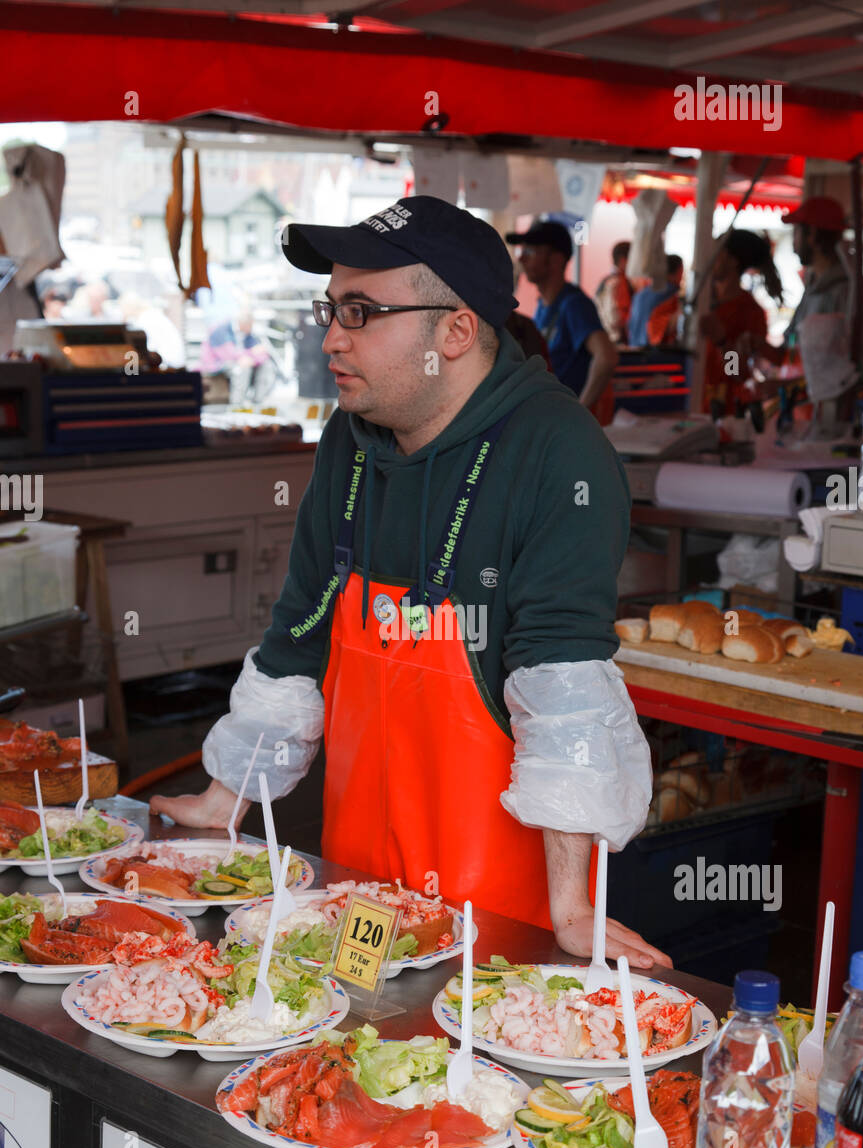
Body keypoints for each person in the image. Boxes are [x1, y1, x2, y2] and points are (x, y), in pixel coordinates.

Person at [152, 195, 667, 968]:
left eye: (360, 312)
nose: (330, 337)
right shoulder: (347, 442)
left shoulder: (560, 453)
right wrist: (227, 796)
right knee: (358, 1049)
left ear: (454, 331)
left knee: (465, 1079)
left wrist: (569, 908)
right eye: (330, 308)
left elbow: (561, 675)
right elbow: (302, 624)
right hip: (358, 882)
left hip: (500, 909)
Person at [747, 196, 859, 406]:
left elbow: (846, 371)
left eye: (796, 232)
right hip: (799, 413)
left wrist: (785, 386)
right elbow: (790, 352)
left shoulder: (845, 292)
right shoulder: (814, 288)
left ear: (813, 236)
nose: (792, 242)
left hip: (825, 416)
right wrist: (754, 346)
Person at [505, 218, 618, 419]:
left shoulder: (573, 304)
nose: (522, 259)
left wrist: (580, 412)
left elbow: (606, 357)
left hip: (566, 423)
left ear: (556, 260)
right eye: (521, 252)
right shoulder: (543, 306)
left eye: (530, 252)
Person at [698, 229, 783, 414]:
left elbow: (737, 373)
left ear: (733, 260)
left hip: (723, 412)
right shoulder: (703, 301)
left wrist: (722, 342)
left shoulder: (749, 311)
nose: (710, 258)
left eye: (717, 253)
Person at [199, 309, 274, 405]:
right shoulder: (221, 329)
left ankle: (257, 402)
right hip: (216, 364)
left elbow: (261, 352)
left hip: (238, 360)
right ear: (244, 323)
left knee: (266, 365)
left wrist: (252, 359)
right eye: (250, 325)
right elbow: (227, 355)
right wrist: (250, 355)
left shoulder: (247, 333)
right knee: (241, 369)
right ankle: (236, 406)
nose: (251, 328)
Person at [628, 255, 684, 347]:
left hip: (634, 348)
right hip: (652, 354)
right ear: (679, 271)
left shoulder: (641, 294)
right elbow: (662, 327)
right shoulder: (669, 294)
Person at [595, 241, 633, 343]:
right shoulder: (619, 283)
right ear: (623, 260)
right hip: (617, 341)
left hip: (605, 338)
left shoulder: (606, 281)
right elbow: (618, 317)